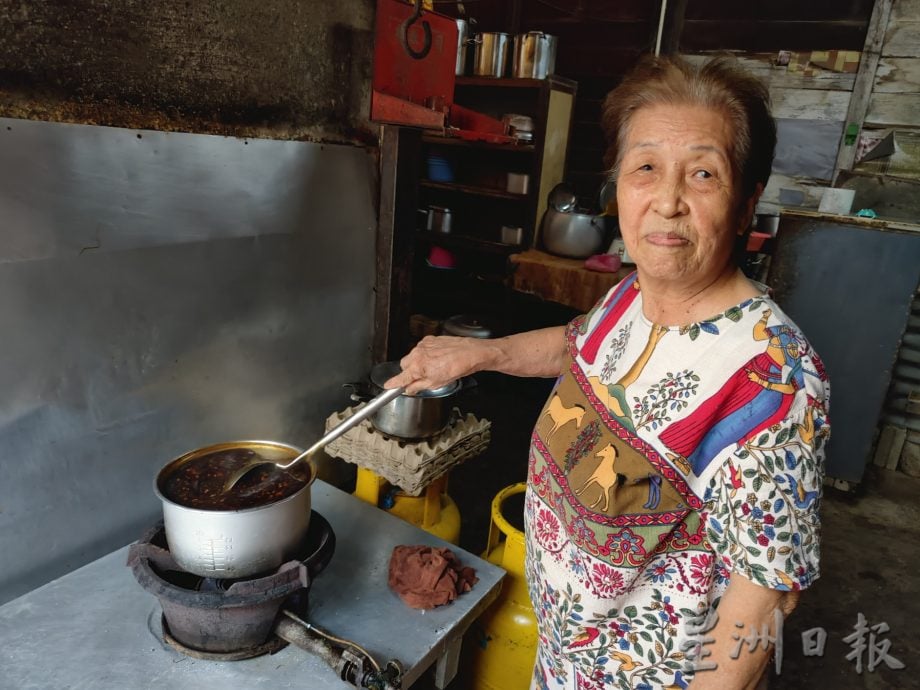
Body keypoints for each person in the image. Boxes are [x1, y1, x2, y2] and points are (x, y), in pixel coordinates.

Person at [385, 55, 830, 690]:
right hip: (563, 658)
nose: (668, 201)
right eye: (645, 168)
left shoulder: (773, 377)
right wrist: (479, 352)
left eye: (703, 174)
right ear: (617, 186)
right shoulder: (630, 294)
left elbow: (762, 601)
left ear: (746, 202)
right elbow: (580, 346)